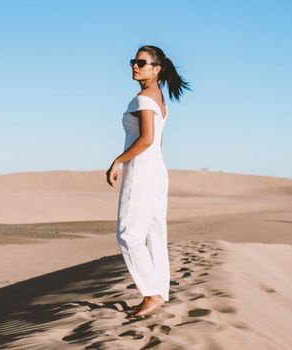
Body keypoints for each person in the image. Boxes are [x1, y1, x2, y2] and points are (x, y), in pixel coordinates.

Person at [106, 45, 191, 318]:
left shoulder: (145, 97)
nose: (134, 65)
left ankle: (151, 294)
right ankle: (159, 293)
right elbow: (158, 142)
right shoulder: (160, 99)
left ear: (157, 69)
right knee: (154, 234)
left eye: (141, 62)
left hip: (141, 171)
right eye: (133, 61)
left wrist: (118, 161)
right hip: (156, 170)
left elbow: (147, 139)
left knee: (128, 235)